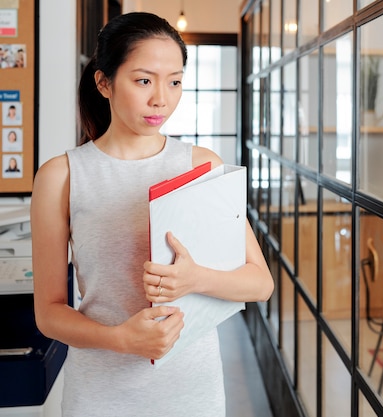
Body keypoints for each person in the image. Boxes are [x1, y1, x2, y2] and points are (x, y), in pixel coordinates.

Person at [30, 12, 274, 417]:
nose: (162, 97)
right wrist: (122, 339)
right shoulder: (62, 176)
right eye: (144, 80)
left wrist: (197, 278)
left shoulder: (202, 166)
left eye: (174, 81)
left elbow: (260, 282)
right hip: (99, 395)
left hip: (194, 393)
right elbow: (49, 313)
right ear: (104, 82)